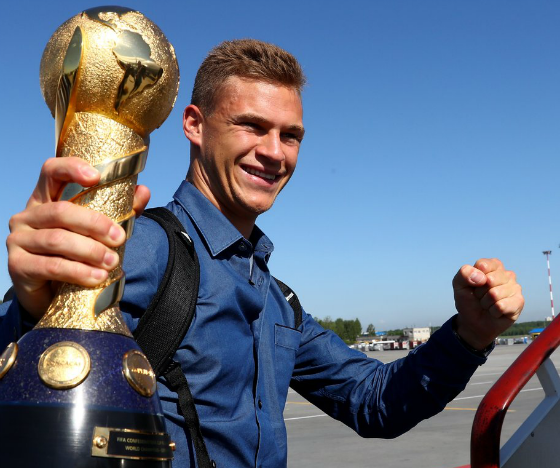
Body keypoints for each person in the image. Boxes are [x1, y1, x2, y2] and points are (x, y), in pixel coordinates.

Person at [0, 39, 524, 467]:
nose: (274, 152)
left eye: (290, 135)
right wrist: (29, 309)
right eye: (251, 126)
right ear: (194, 125)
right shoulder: (143, 249)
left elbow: (374, 402)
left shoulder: (273, 297)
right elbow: (42, 374)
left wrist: (469, 335)